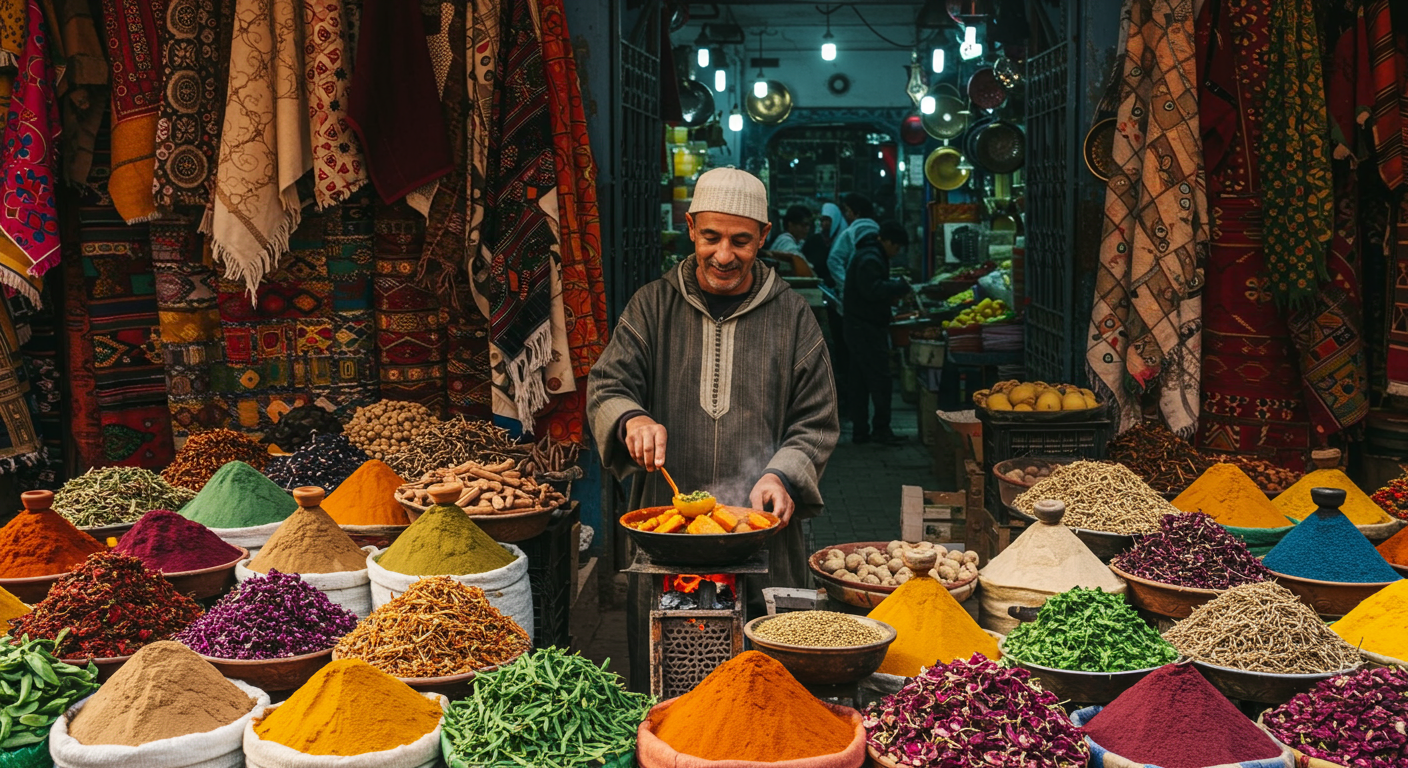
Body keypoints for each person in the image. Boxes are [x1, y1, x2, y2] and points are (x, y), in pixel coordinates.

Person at [588, 167, 840, 590]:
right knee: (666, 624)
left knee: (762, 630)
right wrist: (632, 419)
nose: (724, 256)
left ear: (763, 236)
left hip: (760, 528)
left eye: (740, 241)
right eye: (711, 237)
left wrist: (780, 475)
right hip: (668, 532)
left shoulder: (793, 317)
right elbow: (608, 385)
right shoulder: (652, 306)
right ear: (690, 228)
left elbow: (816, 421)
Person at [843, 220, 912, 445]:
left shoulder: (869, 254)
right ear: (888, 242)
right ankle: (880, 429)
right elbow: (872, 290)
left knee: (860, 380)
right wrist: (899, 286)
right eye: (897, 247)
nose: (896, 252)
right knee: (880, 379)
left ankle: (861, 431)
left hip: (858, 326)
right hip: (865, 328)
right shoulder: (870, 258)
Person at [826, 193, 879, 303]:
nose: (846, 214)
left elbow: (833, 260)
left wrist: (846, 284)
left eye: (848, 210)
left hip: (853, 297)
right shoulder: (880, 232)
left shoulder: (848, 233)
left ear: (857, 213)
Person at [803, 202, 844, 285]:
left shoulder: (842, 240)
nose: (824, 223)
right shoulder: (814, 240)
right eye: (822, 220)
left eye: (828, 220)